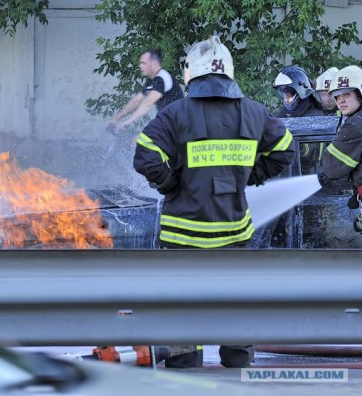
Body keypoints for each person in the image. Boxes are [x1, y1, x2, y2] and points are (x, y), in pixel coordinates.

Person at [133, 36, 295, 368]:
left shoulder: (175, 113)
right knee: (235, 301)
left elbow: (145, 156)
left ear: (191, 72)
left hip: (183, 236)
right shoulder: (255, 112)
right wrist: (249, 175)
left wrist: (172, 184)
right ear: (228, 73)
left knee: (181, 304)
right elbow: (286, 150)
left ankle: (184, 363)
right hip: (234, 234)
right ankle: (237, 362)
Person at [319, 65, 362, 228]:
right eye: (336, 96)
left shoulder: (355, 125)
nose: (340, 100)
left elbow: (333, 168)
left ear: (360, 94)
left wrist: (323, 175)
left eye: (347, 94)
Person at [108, 49, 183, 132]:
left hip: (179, 125)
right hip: (168, 124)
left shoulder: (162, 78)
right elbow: (135, 101)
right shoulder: (152, 80)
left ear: (154, 64)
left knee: (139, 141)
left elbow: (148, 102)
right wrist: (115, 119)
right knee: (138, 140)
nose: (140, 66)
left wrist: (128, 122)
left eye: (143, 63)